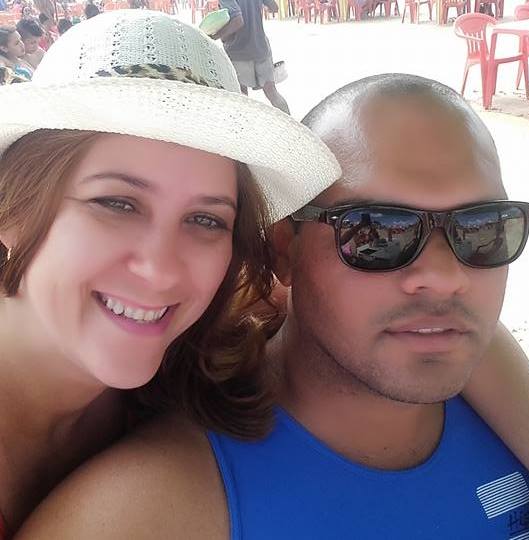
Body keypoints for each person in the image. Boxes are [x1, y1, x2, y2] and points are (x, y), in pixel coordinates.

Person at [16, 75, 529, 539]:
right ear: (284, 250)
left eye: (485, 229)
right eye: (375, 233)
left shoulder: (499, 395)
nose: (447, 279)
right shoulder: (147, 508)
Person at [0, 9, 340, 538]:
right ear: (12, 211)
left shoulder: (208, 342)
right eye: (117, 203)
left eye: (206, 220)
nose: (159, 271)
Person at [214, 0, 290, 114]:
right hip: (260, 47)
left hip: (238, 51)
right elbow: (274, 8)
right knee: (271, 92)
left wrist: (215, 35)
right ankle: (291, 122)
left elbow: (238, 21)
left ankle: (247, 123)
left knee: (242, 95)